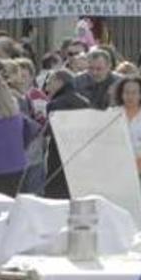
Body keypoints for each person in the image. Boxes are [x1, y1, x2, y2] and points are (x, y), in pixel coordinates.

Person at [109, 74, 141, 230]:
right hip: (119, 171)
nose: (130, 96)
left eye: (134, 92)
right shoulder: (112, 114)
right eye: (126, 92)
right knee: (119, 211)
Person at [43, 69, 91, 198]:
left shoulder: (55, 104)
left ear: (59, 82)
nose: (46, 88)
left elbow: (52, 131)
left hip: (58, 154)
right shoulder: (84, 102)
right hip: (80, 152)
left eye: (49, 83)